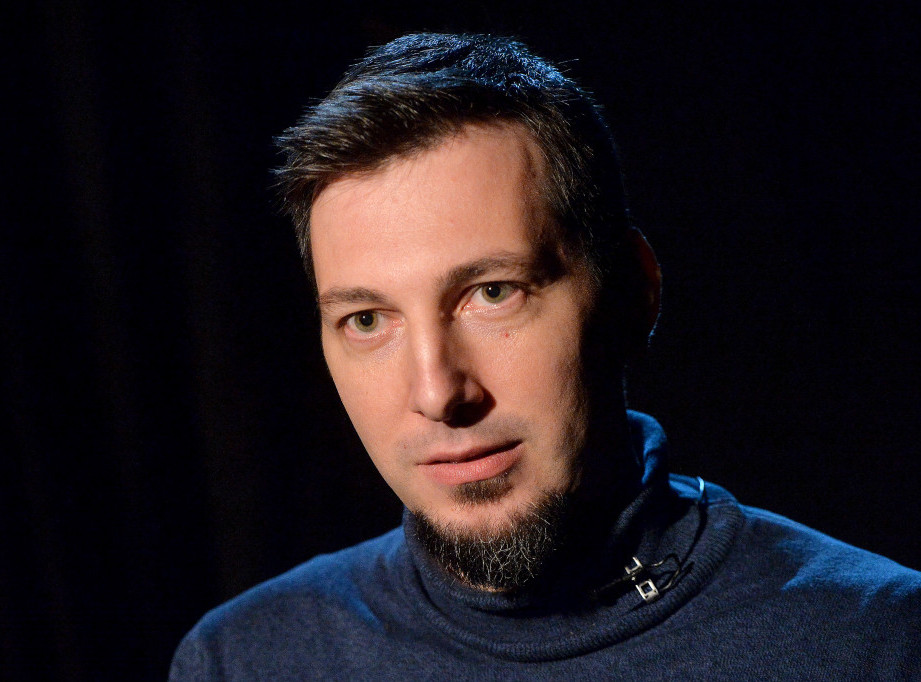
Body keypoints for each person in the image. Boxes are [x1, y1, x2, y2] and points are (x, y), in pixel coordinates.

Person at [170, 33, 921, 680]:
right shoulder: (245, 660)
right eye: (368, 319)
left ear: (634, 293)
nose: (437, 393)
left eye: (493, 293)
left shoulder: (875, 642)